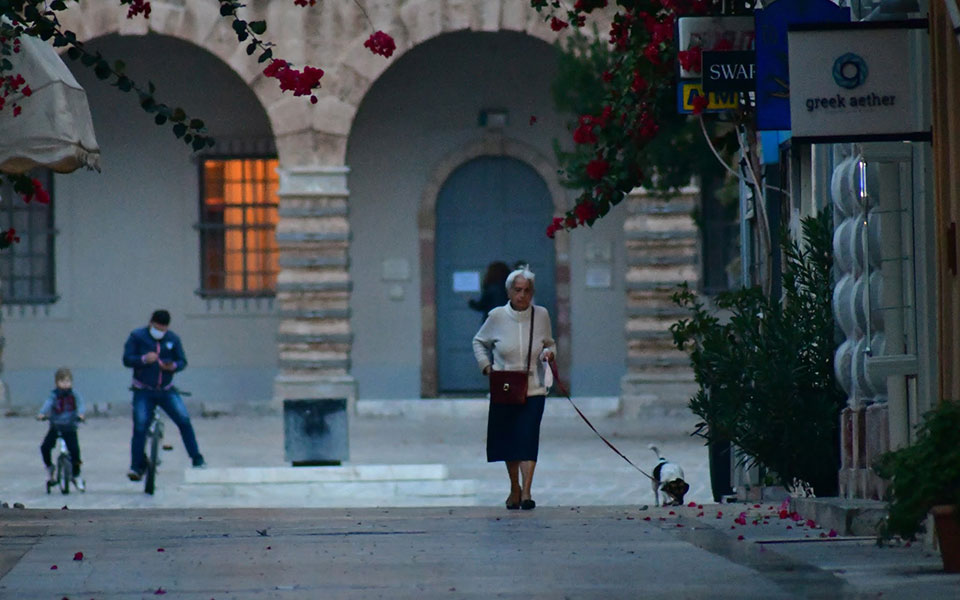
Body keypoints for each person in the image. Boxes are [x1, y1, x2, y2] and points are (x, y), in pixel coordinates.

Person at [473, 265, 555, 510]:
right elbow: (479, 342)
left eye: (527, 291)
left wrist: (549, 354)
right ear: (509, 292)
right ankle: (514, 488)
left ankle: (527, 491)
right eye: (518, 290)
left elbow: (549, 343)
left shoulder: (541, 315)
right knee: (510, 441)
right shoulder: (497, 316)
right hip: (506, 388)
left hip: (534, 387)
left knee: (528, 438)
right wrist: (487, 367)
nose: (522, 295)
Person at [122, 309, 205, 480]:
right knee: (140, 426)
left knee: (183, 419)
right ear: (151, 323)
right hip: (143, 390)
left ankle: (196, 457)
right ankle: (136, 466)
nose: (160, 332)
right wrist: (144, 359)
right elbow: (127, 359)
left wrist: (172, 366)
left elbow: (182, 361)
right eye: (158, 328)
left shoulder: (173, 339)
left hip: (166, 389)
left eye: (163, 329)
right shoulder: (137, 336)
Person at [37, 367, 86, 491]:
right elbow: (48, 403)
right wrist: (42, 413)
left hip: (70, 427)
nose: (65, 384)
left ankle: (76, 474)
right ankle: (49, 467)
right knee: (45, 447)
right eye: (62, 381)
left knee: (75, 452)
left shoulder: (74, 395)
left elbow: (80, 404)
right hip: (56, 426)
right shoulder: (54, 395)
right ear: (57, 382)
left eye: (68, 381)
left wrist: (80, 414)